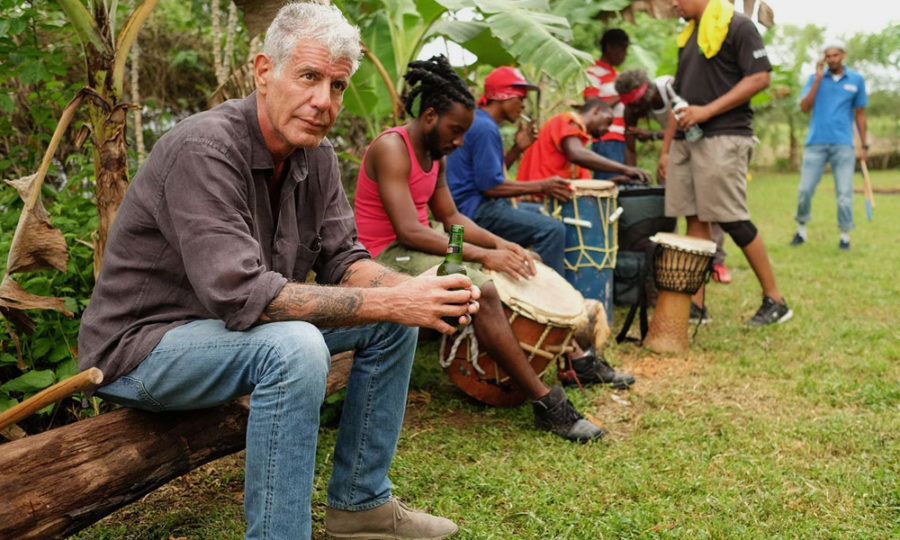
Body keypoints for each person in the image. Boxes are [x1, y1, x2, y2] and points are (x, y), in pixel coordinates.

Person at [78, 5, 477, 539]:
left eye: (337, 85)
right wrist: (395, 300)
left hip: (225, 338)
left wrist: (420, 293)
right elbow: (243, 295)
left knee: (392, 321)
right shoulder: (205, 148)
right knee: (294, 346)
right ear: (264, 72)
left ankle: (361, 507)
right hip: (142, 350)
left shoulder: (317, 156)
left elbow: (345, 261)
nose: (323, 101)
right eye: (309, 76)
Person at [354, 56, 633, 443]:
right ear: (430, 116)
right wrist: (483, 255)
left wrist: (503, 245)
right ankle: (546, 403)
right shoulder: (392, 148)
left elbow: (451, 217)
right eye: (455, 130)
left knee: (522, 264)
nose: (459, 142)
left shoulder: (436, 155)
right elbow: (409, 231)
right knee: (483, 287)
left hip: (420, 240)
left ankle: (576, 359)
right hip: (385, 254)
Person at [662, 0, 791, 327]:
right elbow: (679, 96)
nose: (673, 4)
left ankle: (775, 300)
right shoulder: (689, 36)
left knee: (731, 218)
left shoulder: (738, 26)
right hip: (687, 139)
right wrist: (666, 149)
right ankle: (696, 304)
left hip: (724, 136)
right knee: (694, 218)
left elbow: (759, 78)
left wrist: (706, 111)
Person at [445, 66, 570, 275]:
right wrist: (543, 186)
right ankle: (546, 291)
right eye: (520, 98)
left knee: (542, 212)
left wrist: (517, 149)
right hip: (475, 211)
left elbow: (489, 175)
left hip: (479, 205)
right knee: (553, 229)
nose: (523, 105)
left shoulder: (482, 122)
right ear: (503, 97)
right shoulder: (485, 128)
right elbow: (491, 187)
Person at [615, 68, 732, 290]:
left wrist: (656, 140)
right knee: (670, 204)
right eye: (631, 107)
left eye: (638, 106)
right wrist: (632, 174)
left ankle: (716, 260)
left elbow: (686, 123)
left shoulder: (671, 88)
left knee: (709, 205)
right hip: (674, 150)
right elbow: (630, 147)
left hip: (702, 141)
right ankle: (674, 255)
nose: (635, 111)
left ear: (648, 92)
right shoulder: (632, 109)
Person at [791, 44, 868, 250]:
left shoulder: (856, 80)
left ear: (843, 55)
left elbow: (860, 114)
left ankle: (845, 236)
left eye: (835, 55)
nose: (832, 59)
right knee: (805, 189)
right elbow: (804, 107)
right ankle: (801, 230)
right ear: (824, 59)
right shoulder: (814, 79)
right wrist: (817, 78)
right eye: (828, 56)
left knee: (844, 193)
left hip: (843, 144)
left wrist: (864, 145)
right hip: (815, 142)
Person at [516, 99, 653, 184]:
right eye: (608, 121)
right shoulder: (569, 119)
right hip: (533, 198)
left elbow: (584, 186)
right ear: (596, 111)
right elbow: (576, 154)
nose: (607, 130)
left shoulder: (578, 148)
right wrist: (624, 168)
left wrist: (614, 181)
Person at [583, 28, 631, 179]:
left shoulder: (617, 75)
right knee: (609, 185)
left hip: (623, 139)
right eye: (623, 49)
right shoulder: (593, 72)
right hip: (607, 139)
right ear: (609, 48)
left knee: (623, 186)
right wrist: (622, 95)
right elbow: (592, 106)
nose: (625, 54)